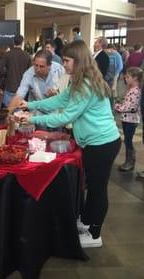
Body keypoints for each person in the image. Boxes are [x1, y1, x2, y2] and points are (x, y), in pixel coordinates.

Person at [19, 40, 121, 248]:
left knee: (97, 189)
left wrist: (33, 119)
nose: (62, 63)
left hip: (102, 144)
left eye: (66, 60)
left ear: (79, 61)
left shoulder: (85, 85)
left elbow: (64, 116)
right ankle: (87, 222)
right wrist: (30, 104)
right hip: (96, 144)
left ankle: (94, 234)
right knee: (92, 187)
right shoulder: (78, 81)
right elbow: (58, 101)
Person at [114, 67, 142, 172]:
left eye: (128, 76)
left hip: (131, 120)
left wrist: (117, 107)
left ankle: (130, 162)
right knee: (127, 140)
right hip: (127, 119)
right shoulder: (131, 89)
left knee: (128, 141)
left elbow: (131, 107)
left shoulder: (136, 91)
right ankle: (128, 161)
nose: (125, 78)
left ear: (134, 78)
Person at [0, 34, 31, 107]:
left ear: (13, 42)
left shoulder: (8, 54)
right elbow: (30, 72)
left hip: (10, 87)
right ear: (22, 42)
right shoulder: (27, 55)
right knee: (20, 114)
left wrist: (8, 73)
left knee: (8, 113)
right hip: (23, 88)